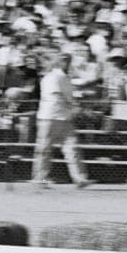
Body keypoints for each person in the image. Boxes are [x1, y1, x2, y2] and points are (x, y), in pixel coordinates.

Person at [32, 52, 88, 188]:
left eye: (68, 61)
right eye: (65, 61)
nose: (67, 63)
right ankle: (40, 179)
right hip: (49, 117)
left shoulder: (63, 77)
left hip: (63, 117)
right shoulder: (53, 77)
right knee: (45, 149)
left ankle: (79, 179)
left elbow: (68, 96)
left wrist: (74, 105)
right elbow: (57, 95)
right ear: (59, 62)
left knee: (71, 148)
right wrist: (74, 105)